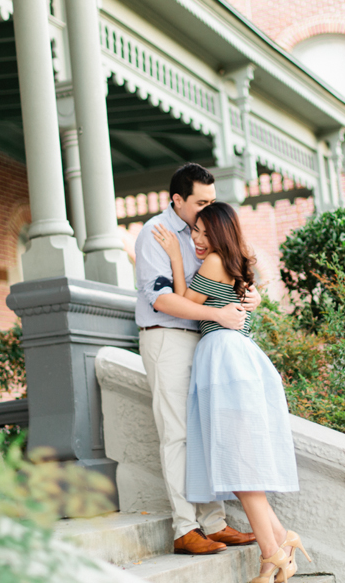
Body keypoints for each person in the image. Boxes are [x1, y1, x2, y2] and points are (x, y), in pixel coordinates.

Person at [153, 202, 310, 583]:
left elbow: (183, 306)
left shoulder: (214, 262)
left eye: (205, 232)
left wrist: (176, 256)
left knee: (239, 467)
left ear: (221, 233)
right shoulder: (239, 264)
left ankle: (272, 556)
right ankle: (279, 544)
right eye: (195, 231)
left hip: (224, 361)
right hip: (235, 359)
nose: (197, 238)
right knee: (238, 467)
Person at [135, 163, 260, 556]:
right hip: (167, 339)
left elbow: (220, 283)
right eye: (200, 201)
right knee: (177, 434)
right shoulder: (154, 233)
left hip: (204, 343)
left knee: (204, 433)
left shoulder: (204, 234)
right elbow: (163, 299)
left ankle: (214, 523)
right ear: (178, 200)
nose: (209, 207)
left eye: (212, 200)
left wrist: (249, 299)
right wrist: (218, 314)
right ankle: (185, 528)